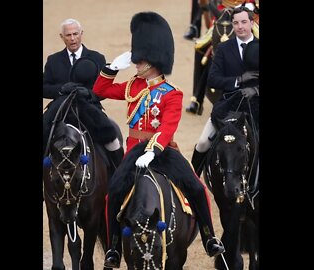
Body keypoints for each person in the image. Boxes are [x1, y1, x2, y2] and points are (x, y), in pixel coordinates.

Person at [92, 11, 225, 268]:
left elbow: (167, 126)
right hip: (133, 150)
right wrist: (110, 69)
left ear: (152, 62)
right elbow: (100, 91)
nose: (135, 63)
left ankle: (209, 237)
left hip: (162, 151)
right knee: (113, 193)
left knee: (197, 188)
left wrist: (153, 150)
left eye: (139, 60)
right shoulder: (133, 86)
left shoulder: (172, 94)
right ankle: (115, 248)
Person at [43, 18, 122, 166]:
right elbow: (44, 87)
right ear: (62, 37)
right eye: (68, 35)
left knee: (110, 136)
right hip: (60, 110)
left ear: (81, 34)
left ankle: (119, 172)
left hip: (89, 107)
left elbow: (104, 89)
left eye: (75, 34)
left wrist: (89, 93)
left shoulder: (97, 58)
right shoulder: (53, 60)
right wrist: (61, 89)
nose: (72, 39)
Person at [191, 6, 259, 177]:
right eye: (236, 23)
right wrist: (239, 80)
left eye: (244, 22)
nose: (240, 27)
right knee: (202, 143)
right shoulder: (223, 49)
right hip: (229, 105)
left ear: (252, 23)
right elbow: (213, 79)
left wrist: (255, 90)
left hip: (257, 105)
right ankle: (191, 185)